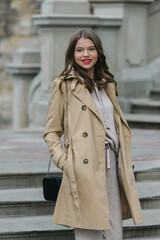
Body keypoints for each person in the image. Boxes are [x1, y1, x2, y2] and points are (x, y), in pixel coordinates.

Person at [43, 29, 143, 240]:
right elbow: (52, 131)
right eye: (79, 50)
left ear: (98, 53)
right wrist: (66, 162)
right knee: (89, 233)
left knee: (114, 231)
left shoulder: (106, 84)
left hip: (112, 164)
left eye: (91, 49)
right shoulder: (63, 85)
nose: (85, 54)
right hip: (84, 168)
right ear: (72, 54)